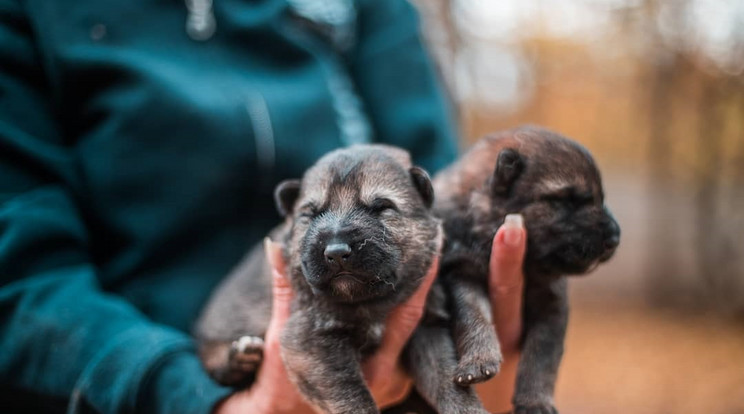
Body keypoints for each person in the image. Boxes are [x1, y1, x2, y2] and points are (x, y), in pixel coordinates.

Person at [0, 0, 526, 413]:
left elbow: (436, 185)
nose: (340, 239)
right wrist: (193, 398)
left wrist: (482, 324)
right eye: (313, 214)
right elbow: (21, 273)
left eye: (378, 208)